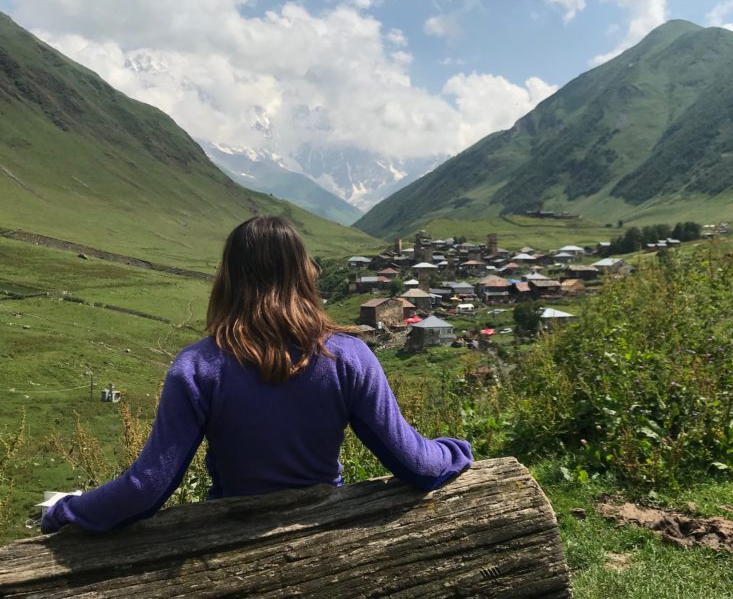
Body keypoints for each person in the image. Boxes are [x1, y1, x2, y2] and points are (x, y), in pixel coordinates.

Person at [42, 216, 472, 533]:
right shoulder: (349, 356)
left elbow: (146, 488)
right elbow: (417, 465)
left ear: (228, 278)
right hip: (323, 535)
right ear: (305, 273)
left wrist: (66, 509)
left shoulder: (196, 368)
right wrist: (457, 450)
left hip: (231, 541)